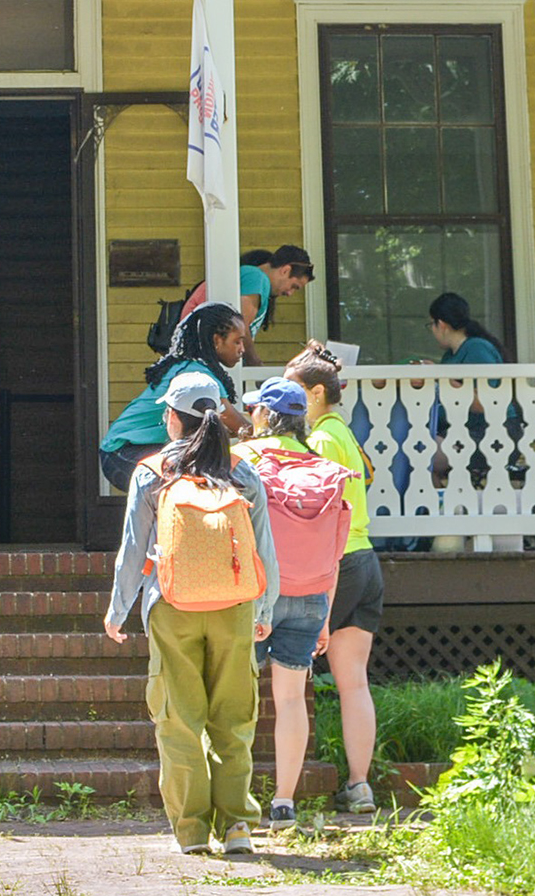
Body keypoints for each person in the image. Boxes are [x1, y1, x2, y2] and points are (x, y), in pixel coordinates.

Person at [103, 371, 279, 857]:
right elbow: (265, 548)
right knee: (234, 716)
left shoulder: (151, 471)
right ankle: (239, 826)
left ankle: (193, 832)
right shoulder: (243, 472)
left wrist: (118, 610)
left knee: (178, 718)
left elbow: (133, 550)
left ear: (172, 419)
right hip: (236, 605)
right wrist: (265, 607)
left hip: (171, 604)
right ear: (219, 414)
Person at [233, 377, 354, 831]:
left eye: (255, 410)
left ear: (264, 415)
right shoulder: (321, 466)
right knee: (290, 700)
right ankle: (284, 802)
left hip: (256, 595)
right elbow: (336, 550)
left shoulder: (244, 460)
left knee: (238, 701)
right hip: (309, 595)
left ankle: (235, 800)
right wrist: (324, 612)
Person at [288, 346, 382, 815]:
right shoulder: (346, 432)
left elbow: (320, 511)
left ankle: (288, 785)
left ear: (317, 392)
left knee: (292, 675)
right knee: (354, 683)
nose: (288, 398)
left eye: (295, 390)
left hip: (337, 562)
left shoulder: (323, 438)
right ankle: (359, 785)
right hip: (367, 561)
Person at [99, 303, 244, 493]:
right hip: (123, 452)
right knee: (189, 483)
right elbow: (238, 425)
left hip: (136, 449)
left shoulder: (192, 367)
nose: (243, 349)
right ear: (217, 340)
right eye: (237, 342)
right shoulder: (198, 375)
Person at [181, 245, 315, 363]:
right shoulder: (256, 277)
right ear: (285, 270)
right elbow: (240, 324)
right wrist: (255, 364)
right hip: (202, 356)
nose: (290, 293)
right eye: (294, 286)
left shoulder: (251, 275)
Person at [427, 291, 505, 364]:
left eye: (432, 324)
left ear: (441, 325)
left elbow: (489, 378)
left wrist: (438, 376)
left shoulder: (477, 348)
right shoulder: (448, 356)